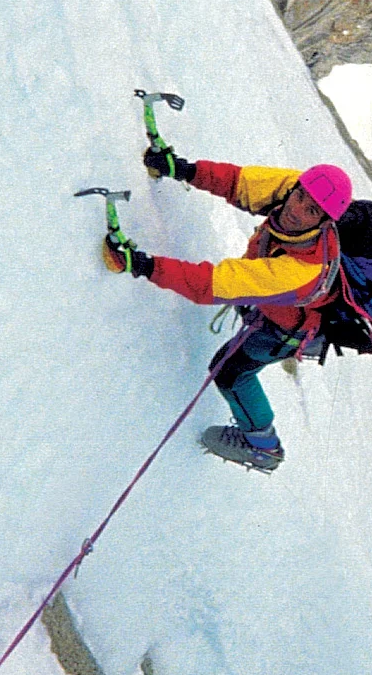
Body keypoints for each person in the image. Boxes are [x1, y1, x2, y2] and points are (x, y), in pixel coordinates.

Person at [103, 144, 355, 470]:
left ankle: (263, 446)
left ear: (323, 223)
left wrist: (141, 264)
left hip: (286, 329)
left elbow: (211, 284)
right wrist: (182, 169)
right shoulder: (297, 189)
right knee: (233, 357)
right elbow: (239, 184)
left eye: (310, 211)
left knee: (230, 373)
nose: (297, 209)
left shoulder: (301, 269)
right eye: (300, 198)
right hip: (273, 305)